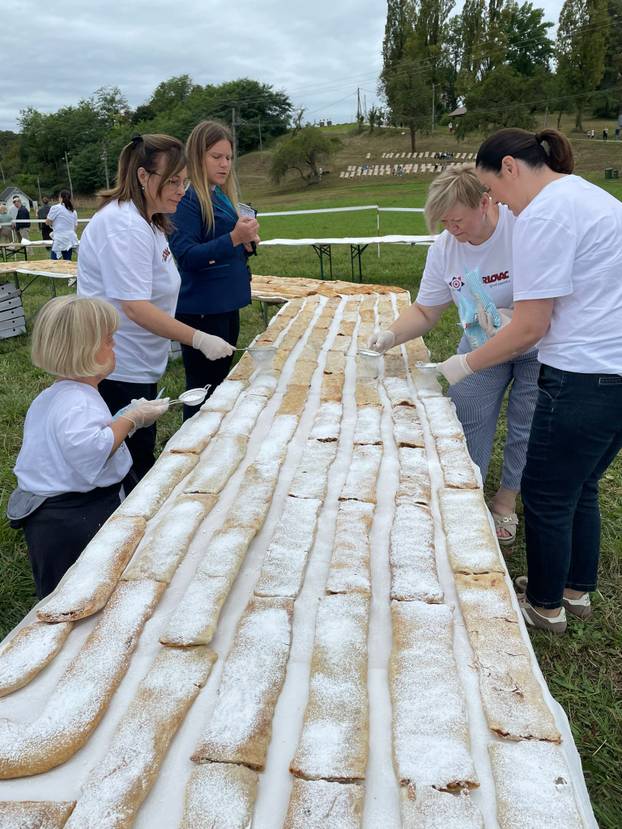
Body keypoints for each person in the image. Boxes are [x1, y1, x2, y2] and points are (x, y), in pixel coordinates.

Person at [440, 127, 622, 634]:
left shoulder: (543, 213)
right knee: (581, 485)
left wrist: (462, 365)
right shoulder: (589, 196)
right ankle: (574, 588)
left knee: (545, 494)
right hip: (616, 370)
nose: (501, 205)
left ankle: (544, 606)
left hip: (584, 376)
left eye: (494, 191)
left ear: (511, 169)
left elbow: (530, 326)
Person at [369, 166, 538, 545]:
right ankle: (465, 493)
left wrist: (513, 317)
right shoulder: (445, 247)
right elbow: (427, 311)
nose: (451, 229)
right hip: (481, 346)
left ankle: (506, 501)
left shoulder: (520, 225)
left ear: (484, 203)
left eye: (456, 220)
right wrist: (391, 334)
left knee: (525, 423)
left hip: (536, 344)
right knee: (464, 413)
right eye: (443, 221)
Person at [78, 133, 234, 479]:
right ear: (143, 177)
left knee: (139, 451)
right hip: (116, 367)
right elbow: (135, 307)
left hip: (136, 361)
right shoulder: (123, 226)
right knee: (129, 465)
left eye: (185, 181)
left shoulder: (149, 220)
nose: (182, 189)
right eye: (173, 181)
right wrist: (199, 338)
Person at [7, 296, 169, 599]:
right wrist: (130, 420)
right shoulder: (77, 402)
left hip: (60, 511)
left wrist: (117, 418)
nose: (114, 347)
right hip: (71, 517)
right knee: (77, 592)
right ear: (87, 351)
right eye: (109, 341)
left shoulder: (58, 396)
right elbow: (90, 451)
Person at [168, 121, 258, 419]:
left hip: (225, 305)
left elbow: (224, 243)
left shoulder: (218, 194)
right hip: (203, 311)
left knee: (218, 387)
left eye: (229, 157)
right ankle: (189, 450)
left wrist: (246, 242)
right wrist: (233, 238)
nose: (225, 164)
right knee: (202, 391)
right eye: (216, 157)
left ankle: (209, 445)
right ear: (197, 156)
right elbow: (188, 256)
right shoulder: (188, 199)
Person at [47, 190, 79, 260]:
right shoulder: (74, 211)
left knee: (54, 263)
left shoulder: (55, 208)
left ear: (60, 198)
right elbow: (75, 226)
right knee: (67, 262)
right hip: (70, 238)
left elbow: (48, 222)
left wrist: (53, 223)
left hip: (60, 238)